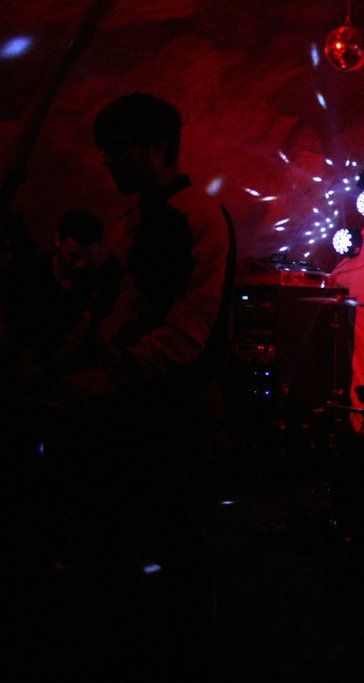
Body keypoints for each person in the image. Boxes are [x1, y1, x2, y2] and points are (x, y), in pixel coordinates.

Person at [56, 92, 235, 680]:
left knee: (174, 540)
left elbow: (191, 331)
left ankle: (184, 658)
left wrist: (108, 372)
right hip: (133, 401)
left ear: (157, 147)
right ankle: (143, 648)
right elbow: (108, 309)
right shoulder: (135, 221)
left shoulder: (197, 218)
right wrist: (68, 360)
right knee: (120, 531)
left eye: (119, 149)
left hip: (173, 408)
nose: (108, 161)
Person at [0, 209, 121, 382]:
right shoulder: (25, 268)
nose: (81, 265)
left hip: (61, 370)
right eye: (74, 256)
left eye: (88, 257)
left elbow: (86, 334)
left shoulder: (98, 282)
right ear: (57, 240)